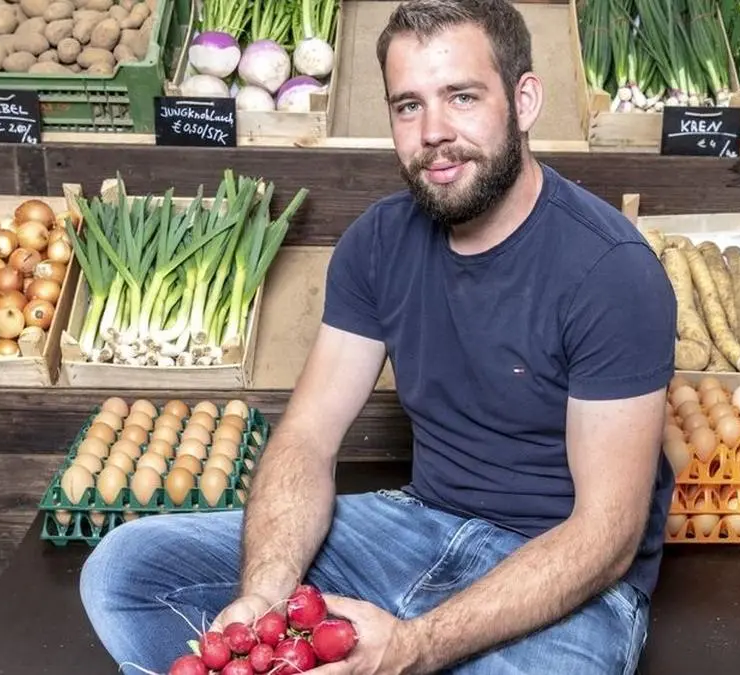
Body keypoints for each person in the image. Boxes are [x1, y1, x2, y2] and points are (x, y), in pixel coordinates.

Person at [79, 0, 677, 672]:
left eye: (462, 97)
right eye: (408, 106)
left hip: (561, 573)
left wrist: (416, 645)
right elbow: (307, 436)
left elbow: (608, 535)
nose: (434, 132)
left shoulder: (612, 270)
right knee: (125, 571)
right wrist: (264, 598)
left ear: (524, 99)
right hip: (414, 528)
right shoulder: (378, 243)